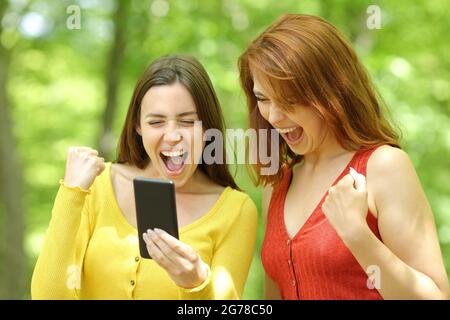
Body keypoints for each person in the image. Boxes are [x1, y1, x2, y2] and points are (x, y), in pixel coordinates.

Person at [238, 14, 449, 300]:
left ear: (330, 92)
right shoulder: (277, 184)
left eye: (289, 100)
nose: (274, 117)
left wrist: (356, 234)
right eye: (263, 99)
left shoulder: (383, 167)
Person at [31, 55, 258, 299]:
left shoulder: (236, 210)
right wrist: (71, 194)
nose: (172, 136)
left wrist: (197, 283)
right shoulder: (95, 185)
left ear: (207, 127)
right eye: (157, 121)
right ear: (138, 125)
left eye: (187, 121)